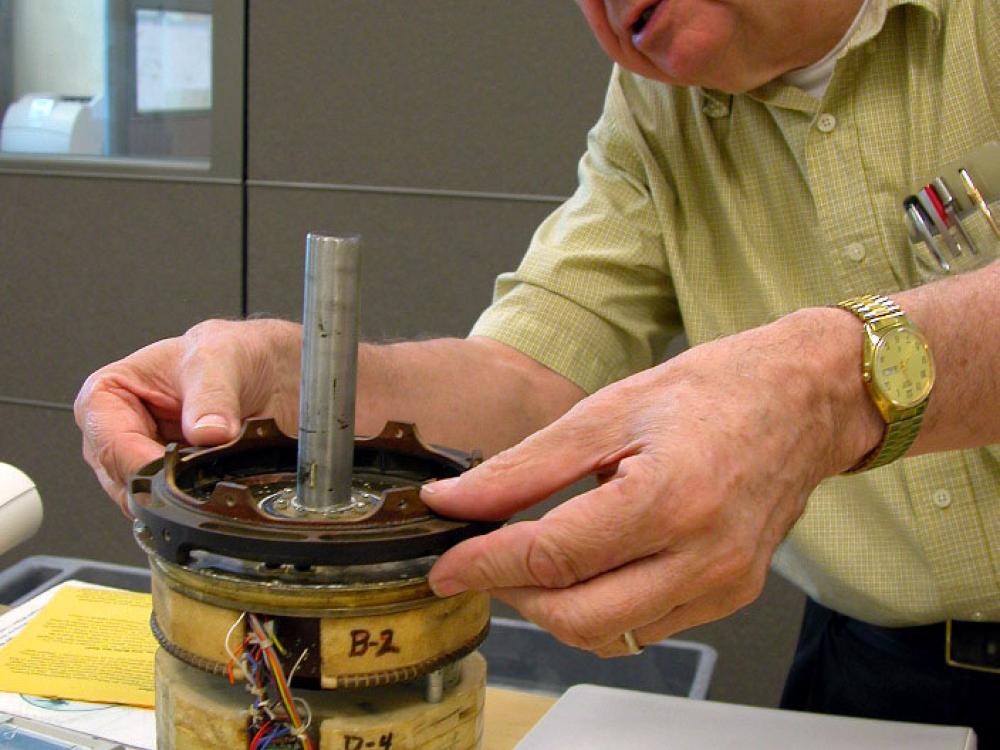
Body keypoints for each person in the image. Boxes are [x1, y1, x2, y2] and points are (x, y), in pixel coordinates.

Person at [75, 0, 1000, 743]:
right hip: (870, 676)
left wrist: (828, 386)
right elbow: (533, 373)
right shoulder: (661, 103)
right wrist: (300, 380)